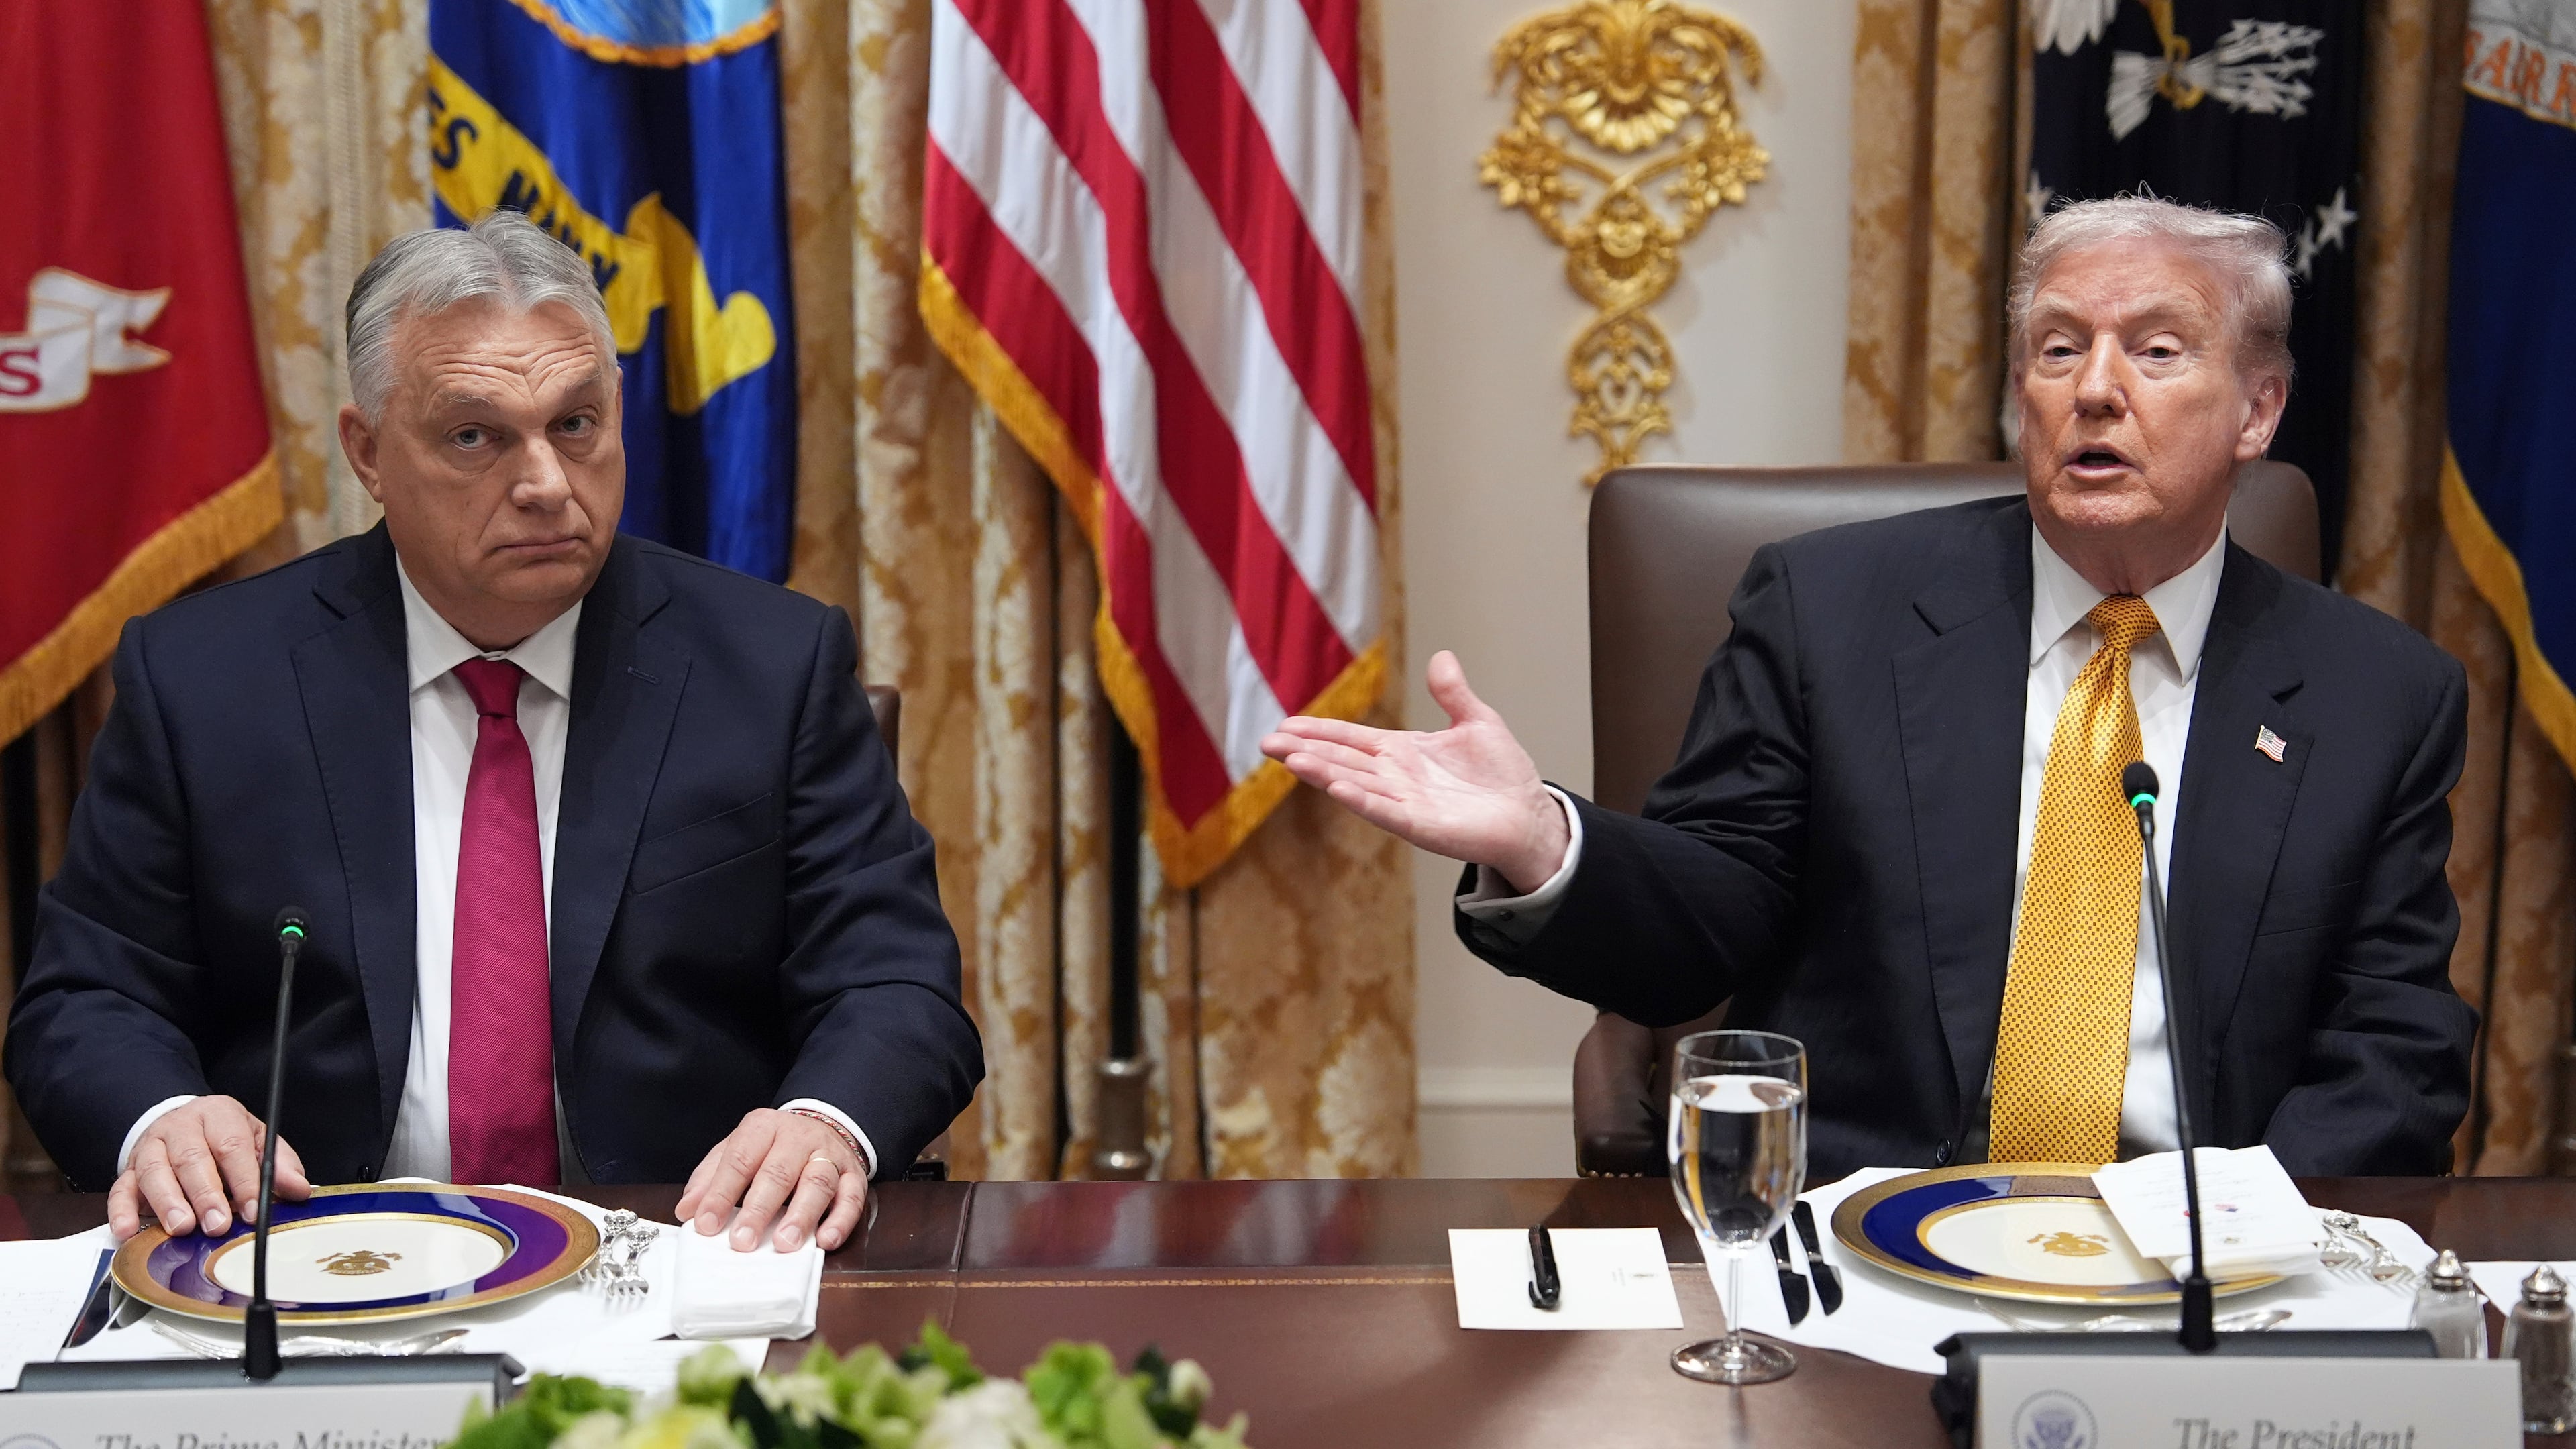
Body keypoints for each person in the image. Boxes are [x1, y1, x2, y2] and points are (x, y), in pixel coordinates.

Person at [1264, 197, 2475, 1180]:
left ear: (2258, 408)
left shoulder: (2380, 697)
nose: (2094, 389)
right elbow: (1708, 919)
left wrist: (2223, 1238)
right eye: (2058, 349)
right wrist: (1544, 841)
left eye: (2157, 352)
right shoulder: (1830, 612)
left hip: (2199, 1266)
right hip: (1870, 1238)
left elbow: (2397, 1057)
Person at [5, 211, 981, 1252]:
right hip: (311, 1264)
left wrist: (823, 1124)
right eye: (475, 436)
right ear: (369, 452)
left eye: (577, 424)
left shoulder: (772, 666)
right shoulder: (207, 680)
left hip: (684, 1258)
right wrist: (166, 1120)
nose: (547, 486)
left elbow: (895, 983)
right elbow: (86, 998)